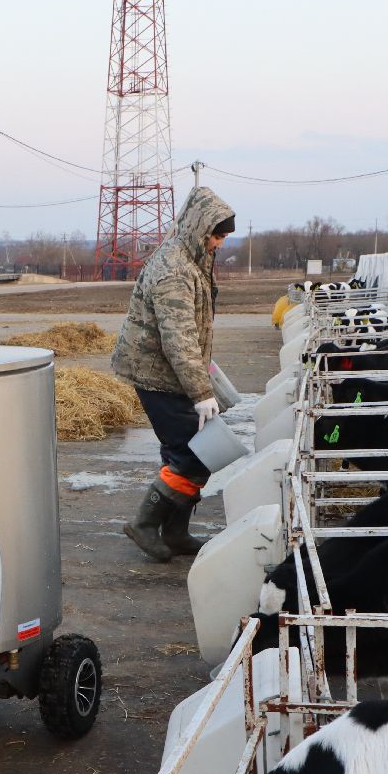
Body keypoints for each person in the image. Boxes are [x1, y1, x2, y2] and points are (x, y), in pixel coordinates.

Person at [110, 186, 236, 562]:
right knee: (193, 454)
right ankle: (145, 524)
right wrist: (201, 392)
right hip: (155, 373)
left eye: (224, 236)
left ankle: (176, 531)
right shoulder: (174, 270)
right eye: (217, 235)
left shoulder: (193, 257)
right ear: (200, 229)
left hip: (173, 372)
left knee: (189, 450)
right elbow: (178, 338)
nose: (219, 243)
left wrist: (204, 374)